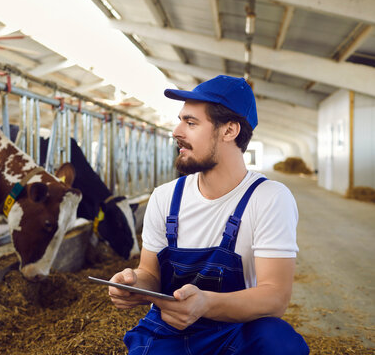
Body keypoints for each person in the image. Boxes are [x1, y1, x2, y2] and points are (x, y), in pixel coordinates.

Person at [108, 75, 309, 354]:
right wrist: (133, 284)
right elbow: (149, 274)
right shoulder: (165, 198)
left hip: (237, 330)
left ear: (229, 131)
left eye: (191, 123)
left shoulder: (269, 198)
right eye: (180, 120)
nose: (177, 131)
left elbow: (275, 297)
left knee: (278, 341)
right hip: (171, 330)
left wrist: (206, 303)